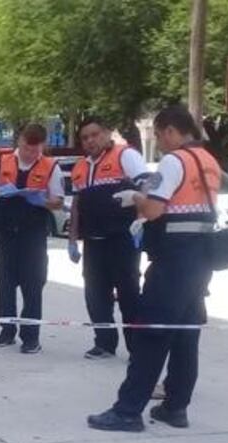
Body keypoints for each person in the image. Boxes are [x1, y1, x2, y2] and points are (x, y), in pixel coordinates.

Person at [88, 105, 219, 432]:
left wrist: (135, 197)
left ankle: (128, 410)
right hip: (200, 259)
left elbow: (156, 209)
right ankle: (175, 407)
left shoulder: (175, 161)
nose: (159, 143)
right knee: (186, 336)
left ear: (171, 131)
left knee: (150, 334)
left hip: (173, 259)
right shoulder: (209, 161)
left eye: (159, 136)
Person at [68, 116, 151, 360]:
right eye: (85, 138)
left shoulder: (126, 156)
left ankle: (138, 348)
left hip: (123, 240)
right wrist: (72, 239)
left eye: (95, 135)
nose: (90, 140)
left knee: (128, 294)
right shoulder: (80, 167)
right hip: (94, 241)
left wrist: (143, 219)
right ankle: (104, 343)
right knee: (95, 295)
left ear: (106, 133)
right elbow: (76, 205)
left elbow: (146, 185)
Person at [0, 124, 65, 354]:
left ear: (42, 145)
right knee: (5, 282)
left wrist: (42, 200)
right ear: (20, 142)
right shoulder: (3, 161)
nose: (31, 153)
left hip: (33, 234)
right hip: (5, 233)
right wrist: (0, 191)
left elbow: (58, 200)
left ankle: (31, 337)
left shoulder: (51, 166)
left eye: (36, 149)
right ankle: (7, 331)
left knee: (33, 284)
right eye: (28, 148)